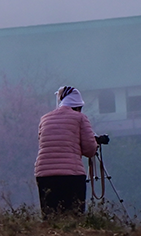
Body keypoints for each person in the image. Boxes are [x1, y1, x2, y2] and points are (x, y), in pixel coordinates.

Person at [34, 85, 99, 219]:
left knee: (51, 219)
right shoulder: (80, 118)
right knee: (74, 217)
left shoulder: (44, 119)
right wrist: (96, 143)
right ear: (78, 106)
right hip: (71, 175)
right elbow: (89, 150)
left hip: (44, 175)